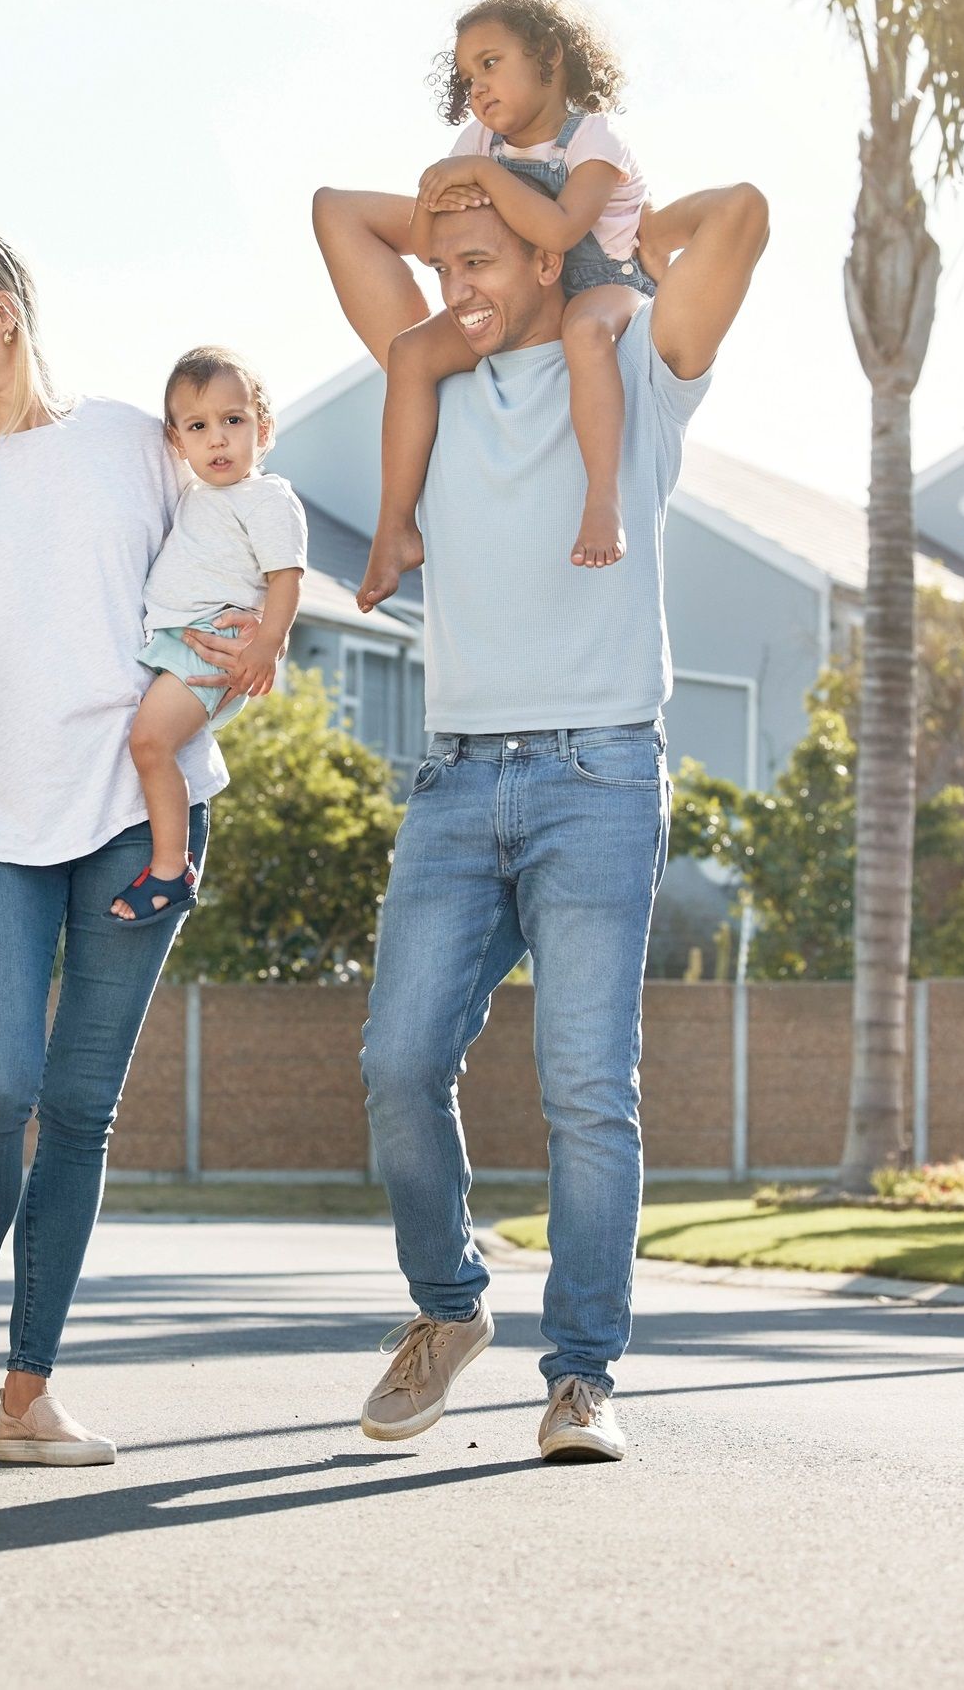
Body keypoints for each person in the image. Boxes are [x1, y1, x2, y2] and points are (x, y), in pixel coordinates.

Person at [311, 168, 769, 1461]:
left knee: (587, 1089)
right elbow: (336, 215)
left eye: (478, 264)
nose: (453, 286)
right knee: (399, 1064)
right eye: (441, 263)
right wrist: (461, 211)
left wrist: (581, 226)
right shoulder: (429, 378)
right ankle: (448, 1310)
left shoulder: (631, 369)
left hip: (599, 777)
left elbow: (738, 215)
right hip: (455, 780)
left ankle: (582, 1378)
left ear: (549, 258)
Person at [0, 224, 264, 1466]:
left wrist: (247, 650)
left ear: (4, 312)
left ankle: (29, 1393)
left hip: (142, 808)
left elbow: (226, 567)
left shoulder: (139, 442)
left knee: (78, 1109)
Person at [315, 0, 655, 607]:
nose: (476, 86)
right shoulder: (477, 141)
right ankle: (395, 527)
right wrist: (435, 194)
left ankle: (603, 497)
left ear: (549, 55)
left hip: (604, 284)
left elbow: (559, 230)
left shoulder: (593, 140)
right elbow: (425, 244)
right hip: (519, 289)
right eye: (467, 74)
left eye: (491, 63)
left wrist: (484, 179)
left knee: (585, 334)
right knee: (412, 353)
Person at [108, 345, 307, 925]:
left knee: (150, 744)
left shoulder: (267, 497)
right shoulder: (196, 493)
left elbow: (286, 579)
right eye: (199, 426)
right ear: (178, 441)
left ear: (262, 429)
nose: (217, 439)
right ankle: (168, 862)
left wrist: (267, 646)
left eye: (233, 421)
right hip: (182, 642)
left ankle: (171, 869)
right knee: (148, 744)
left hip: (214, 647)